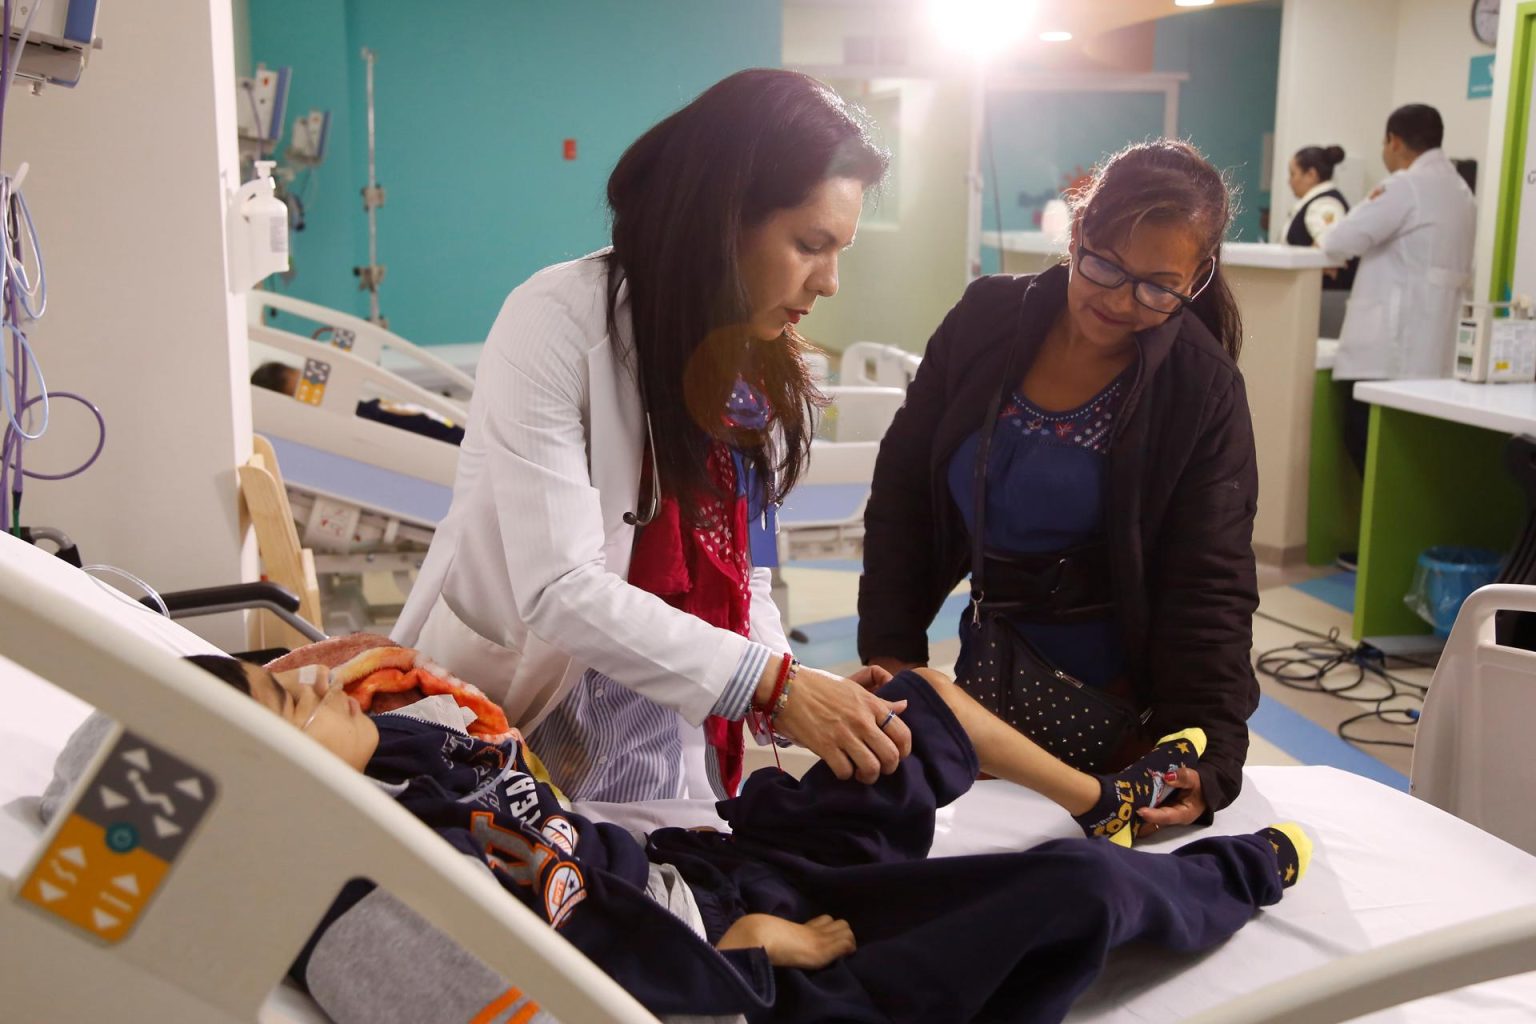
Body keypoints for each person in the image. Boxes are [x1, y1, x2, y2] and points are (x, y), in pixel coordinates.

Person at [181, 653, 1310, 1024]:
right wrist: (758, 957)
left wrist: (378, 703)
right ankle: (1241, 869)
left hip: (700, 871)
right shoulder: (356, 909)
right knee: (1063, 894)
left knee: (899, 710)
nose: (318, 676)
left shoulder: (391, 757)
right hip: (736, 974)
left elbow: (551, 845)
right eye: (291, 701)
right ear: (260, 784)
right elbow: (572, 984)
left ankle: (1104, 799)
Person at [391, 69, 909, 805]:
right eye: (809, 244)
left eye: (839, 253)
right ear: (723, 218)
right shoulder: (557, 322)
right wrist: (772, 685)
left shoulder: (752, 369)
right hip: (522, 735)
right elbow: (559, 587)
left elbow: (748, 574)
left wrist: (800, 687)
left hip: (678, 756)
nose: (829, 283)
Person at [859, 140, 1260, 833]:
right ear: (1077, 234)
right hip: (991, 674)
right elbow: (906, 497)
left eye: (1158, 286)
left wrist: (1210, 747)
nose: (1119, 299)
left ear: (1196, 281)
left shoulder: (1201, 389)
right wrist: (893, 649)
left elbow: (1211, 582)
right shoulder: (989, 319)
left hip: (1116, 700)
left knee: (1075, 871)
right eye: (1103, 263)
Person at [1319, 104, 1476, 476]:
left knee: (1368, 448)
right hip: (1435, 356)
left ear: (1395, 141)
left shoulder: (1404, 186)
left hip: (1386, 355)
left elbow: (1339, 240)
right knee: (1413, 460)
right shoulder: (1461, 192)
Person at [250, 360, 467, 445]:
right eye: (305, 393)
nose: (318, 388)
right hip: (447, 440)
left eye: (311, 383)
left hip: (452, 428)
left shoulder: (360, 406)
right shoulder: (350, 425)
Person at [1284, 144, 1356, 290]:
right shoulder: (1317, 202)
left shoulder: (1324, 204)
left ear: (1311, 175)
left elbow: (1331, 245)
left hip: (1321, 296)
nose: (1289, 181)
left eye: (1293, 174)